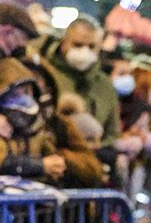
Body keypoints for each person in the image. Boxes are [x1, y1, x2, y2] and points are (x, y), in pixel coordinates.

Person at [41, 16, 120, 146]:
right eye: (78, 45)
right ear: (63, 42)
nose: (84, 51)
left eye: (91, 46)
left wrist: (95, 147)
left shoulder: (105, 84)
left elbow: (113, 133)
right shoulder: (46, 74)